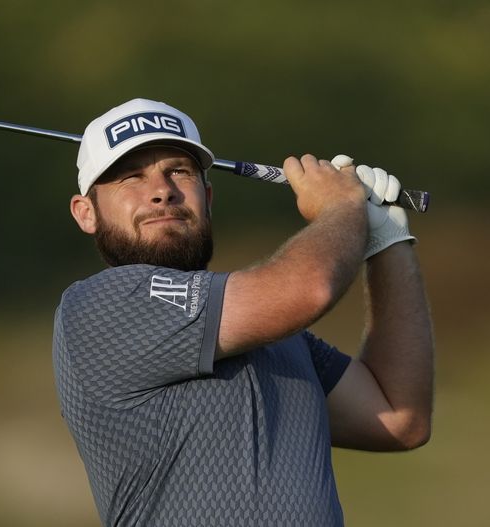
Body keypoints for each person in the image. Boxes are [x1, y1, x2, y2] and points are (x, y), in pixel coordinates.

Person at [52, 98, 433, 526]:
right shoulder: (99, 307)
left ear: (207, 196)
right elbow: (310, 288)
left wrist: (388, 243)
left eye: (178, 170)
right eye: (130, 177)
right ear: (86, 213)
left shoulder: (276, 331)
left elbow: (400, 418)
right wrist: (340, 207)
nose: (162, 191)